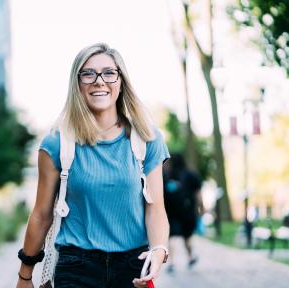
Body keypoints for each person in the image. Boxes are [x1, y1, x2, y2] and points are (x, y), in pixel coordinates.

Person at [16, 43, 170, 288]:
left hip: (133, 268)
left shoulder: (146, 139)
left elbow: (156, 209)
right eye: (88, 73)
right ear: (77, 84)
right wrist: (25, 276)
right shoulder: (57, 143)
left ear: (121, 81)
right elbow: (41, 215)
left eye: (109, 73)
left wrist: (160, 249)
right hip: (77, 268)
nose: (99, 81)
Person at [163, 153, 203, 272]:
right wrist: (201, 208)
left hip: (171, 211)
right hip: (187, 210)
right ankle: (190, 256)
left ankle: (172, 262)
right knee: (188, 236)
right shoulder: (191, 174)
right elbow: (198, 194)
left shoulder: (166, 175)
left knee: (171, 237)